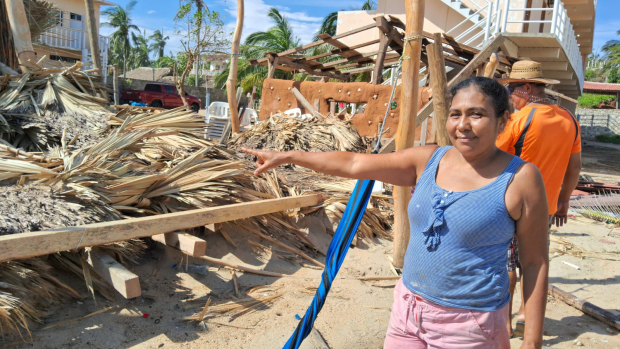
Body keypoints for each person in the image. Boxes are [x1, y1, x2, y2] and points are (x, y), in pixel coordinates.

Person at [243, 77, 549, 349]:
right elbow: (354, 164)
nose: (462, 125)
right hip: (408, 309)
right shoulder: (428, 160)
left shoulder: (520, 179)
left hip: (471, 324)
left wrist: (532, 341)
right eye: (455, 114)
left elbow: (534, 262)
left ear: (503, 121)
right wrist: (288, 156)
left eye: (477, 114)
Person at [496, 60, 582, 337]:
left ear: (528, 87)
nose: (510, 96)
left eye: (512, 89)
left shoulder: (518, 120)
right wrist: (564, 201)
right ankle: (526, 317)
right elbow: (574, 167)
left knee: (506, 263)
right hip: (544, 209)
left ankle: (505, 324)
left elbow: (492, 159)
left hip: (510, 205)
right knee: (535, 262)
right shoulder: (569, 119)